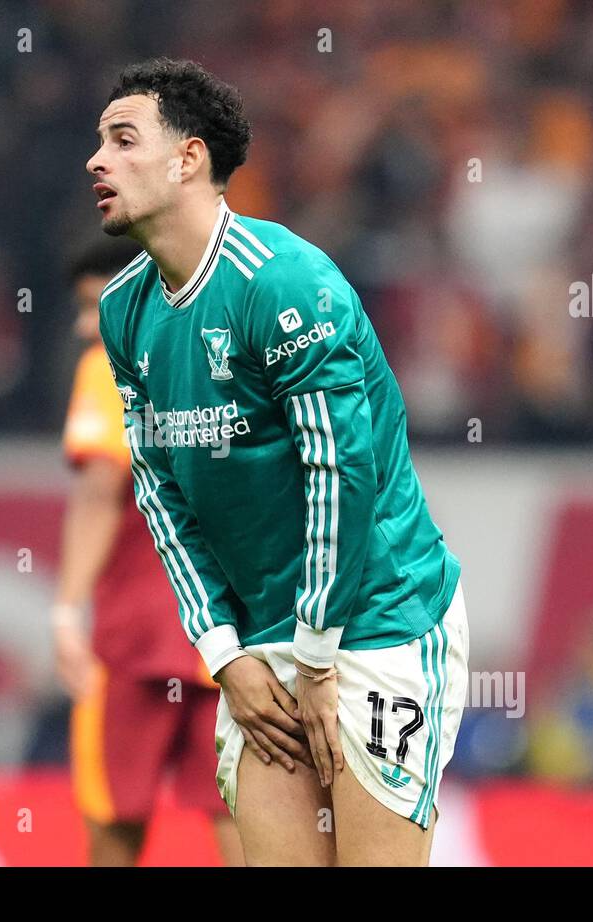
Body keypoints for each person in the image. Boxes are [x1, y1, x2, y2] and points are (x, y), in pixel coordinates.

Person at [86, 58, 468, 866]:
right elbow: (160, 494)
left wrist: (319, 655)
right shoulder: (123, 311)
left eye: (123, 140)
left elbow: (341, 473)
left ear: (189, 159)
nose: (98, 161)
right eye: (99, 143)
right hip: (261, 644)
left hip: (376, 624)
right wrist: (224, 653)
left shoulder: (287, 284)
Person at [53, 239, 244, 866]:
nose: (86, 325)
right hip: (234, 640)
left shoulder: (112, 362)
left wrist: (65, 607)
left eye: (92, 306)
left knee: (113, 828)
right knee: (244, 825)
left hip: (134, 637)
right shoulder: (232, 354)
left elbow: (101, 492)